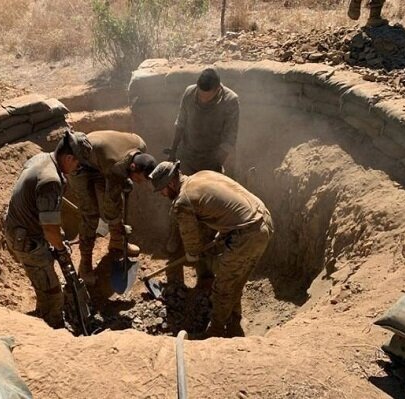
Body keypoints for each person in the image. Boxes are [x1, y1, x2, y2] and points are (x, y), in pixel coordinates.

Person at [149, 161, 274, 338]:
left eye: (161, 190)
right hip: (263, 219)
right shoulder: (202, 174)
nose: (162, 195)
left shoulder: (182, 202)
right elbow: (224, 206)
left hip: (248, 234)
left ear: (170, 184)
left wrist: (193, 256)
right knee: (235, 278)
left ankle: (215, 329)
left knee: (223, 286)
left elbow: (192, 245)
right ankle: (234, 320)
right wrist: (223, 233)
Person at [4, 129, 92, 328]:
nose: (78, 169)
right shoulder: (51, 180)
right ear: (69, 158)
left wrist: (59, 241)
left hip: (25, 228)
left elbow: (47, 218)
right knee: (51, 291)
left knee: (49, 280)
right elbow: (50, 230)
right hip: (26, 240)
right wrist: (60, 249)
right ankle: (53, 327)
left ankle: (46, 311)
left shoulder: (42, 158)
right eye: (78, 164)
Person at [68, 130, 157, 285]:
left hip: (100, 158)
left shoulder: (141, 145)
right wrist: (120, 225)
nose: (140, 182)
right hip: (79, 164)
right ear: (133, 166)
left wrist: (126, 178)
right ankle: (85, 264)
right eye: (138, 178)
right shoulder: (116, 167)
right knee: (90, 214)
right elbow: (110, 207)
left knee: (116, 198)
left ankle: (117, 242)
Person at [167, 67, 239, 175]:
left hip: (211, 160)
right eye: (201, 96)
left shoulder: (230, 101)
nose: (203, 100)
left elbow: (229, 139)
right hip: (186, 156)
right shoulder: (189, 92)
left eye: (208, 97)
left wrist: (216, 165)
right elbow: (180, 123)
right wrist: (173, 151)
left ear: (218, 89)